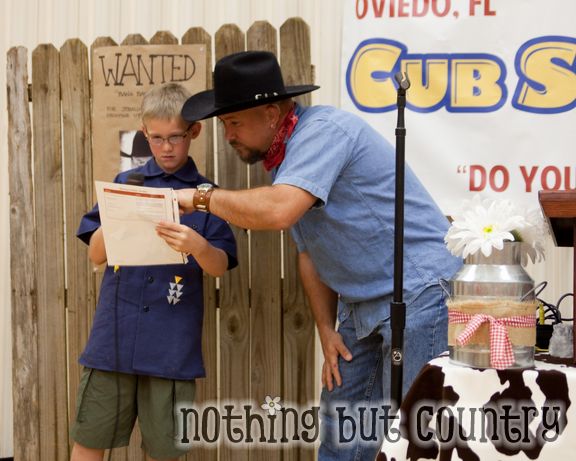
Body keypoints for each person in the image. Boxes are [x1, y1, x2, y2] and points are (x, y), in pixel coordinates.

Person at [176, 51, 463, 460]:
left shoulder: (323, 132)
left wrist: (201, 197)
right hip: (359, 307)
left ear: (272, 114)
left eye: (234, 122)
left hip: (418, 292)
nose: (228, 136)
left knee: (413, 439)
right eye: (224, 125)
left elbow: (279, 211)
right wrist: (326, 329)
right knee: (340, 441)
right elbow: (310, 253)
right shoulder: (285, 162)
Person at [70, 82, 238, 461]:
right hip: (113, 340)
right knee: (89, 439)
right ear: (144, 133)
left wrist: (196, 245)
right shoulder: (126, 184)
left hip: (170, 347)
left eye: (176, 137)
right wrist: (121, 216)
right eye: (157, 137)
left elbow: (220, 266)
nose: (166, 147)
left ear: (193, 132)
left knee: (166, 450)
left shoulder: (205, 194)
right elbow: (94, 254)